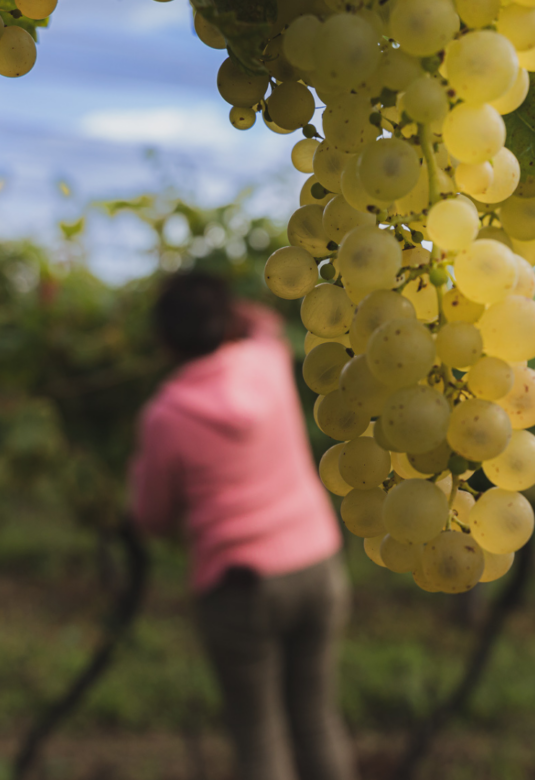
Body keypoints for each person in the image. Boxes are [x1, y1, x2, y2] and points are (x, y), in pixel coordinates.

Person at [127, 271, 357, 780]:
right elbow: (265, 322)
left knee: (258, 737)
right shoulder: (266, 360)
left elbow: (151, 517)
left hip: (239, 588)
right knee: (317, 720)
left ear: (165, 340)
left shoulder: (166, 414)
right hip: (317, 564)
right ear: (228, 318)